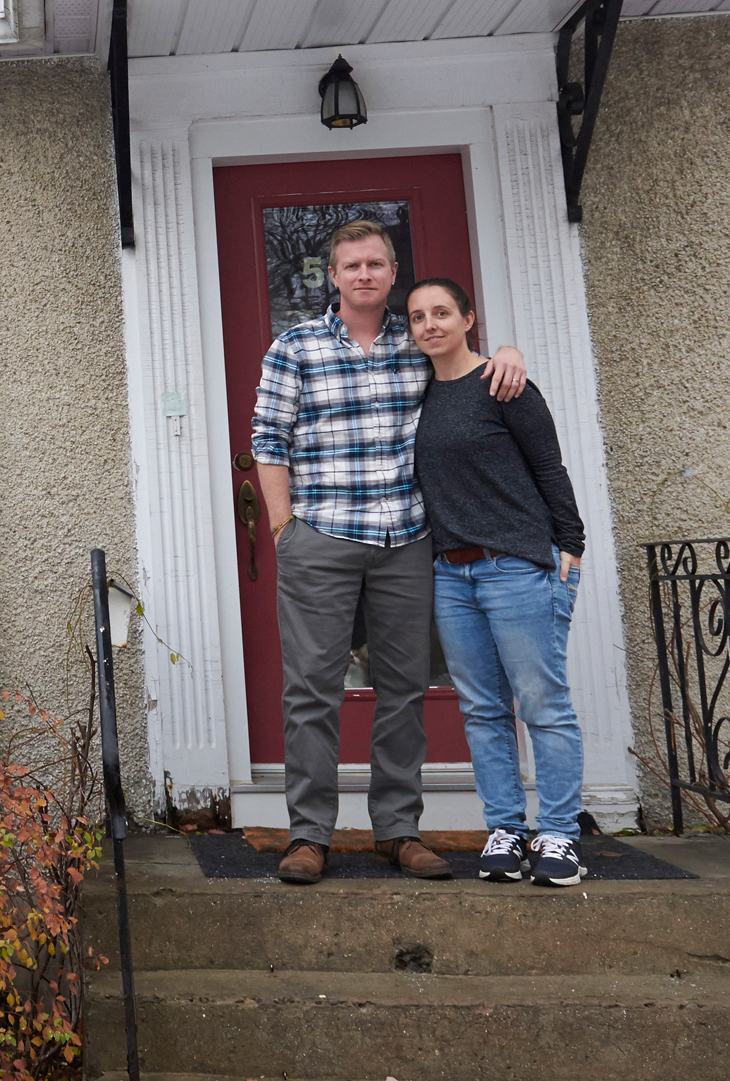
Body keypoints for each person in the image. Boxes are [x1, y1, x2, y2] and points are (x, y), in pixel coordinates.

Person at [251, 220, 527, 885]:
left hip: (405, 539)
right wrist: (285, 526)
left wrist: (509, 350)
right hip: (322, 538)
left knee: (403, 690)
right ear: (334, 276)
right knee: (312, 692)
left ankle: (398, 830)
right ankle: (309, 835)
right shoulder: (296, 347)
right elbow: (269, 439)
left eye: (375, 263)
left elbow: (472, 373)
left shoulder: (422, 344)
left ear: (392, 270)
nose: (364, 274)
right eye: (352, 265)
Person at [407, 276, 588, 887]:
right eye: (417, 317)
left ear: (467, 318)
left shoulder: (504, 385)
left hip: (515, 565)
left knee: (543, 704)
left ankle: (560, 834)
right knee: (484, 710)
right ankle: (506, 829)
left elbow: (549, 468)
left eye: (441, 312)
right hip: (450, 574)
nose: (429, 324)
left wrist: (573, 547)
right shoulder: (418, 394)